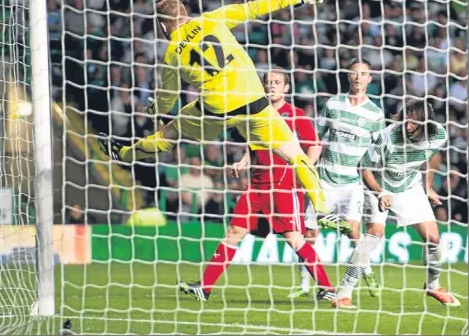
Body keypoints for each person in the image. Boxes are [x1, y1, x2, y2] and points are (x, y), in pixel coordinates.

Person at [99, 0, 330, 217]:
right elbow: (255, 8)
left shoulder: (171, 53)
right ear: (185, 14)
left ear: (162, 26)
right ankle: (321, 207)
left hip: (217, 110)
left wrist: (154, 109)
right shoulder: (213, 19)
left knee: (169, 133)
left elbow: (168, 99)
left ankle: (125, 154)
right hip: (254, 101)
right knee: (296, 155)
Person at [178, 67, 335, 301]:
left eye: (277, 82)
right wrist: (243, 161)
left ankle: (328, 288)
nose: (271, 85)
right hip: (256, 186)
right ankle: (205, 287)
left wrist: (303, 170)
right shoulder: (256, 114)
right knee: (233, 232)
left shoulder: (296, 115)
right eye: (268, 82)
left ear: (286, 88)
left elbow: (315, 146)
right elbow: (255, 146)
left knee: (294, 239)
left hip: (283, 186)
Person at [333, 99, 460, 308]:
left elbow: (433, 157)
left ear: (425, 123)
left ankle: (433, 285)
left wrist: (427, 187)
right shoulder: (388, 136)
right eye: (405, 121)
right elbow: (364, 168)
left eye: (413, 123)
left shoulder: (438, 134)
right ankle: (344, 292)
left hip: (409, 186)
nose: (407, 126)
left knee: (434, 239)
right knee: (374, 234)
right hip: (379, 185)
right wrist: (380, 193)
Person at [289, 59, 385, 300]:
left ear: (370, 79)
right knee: (310, 235)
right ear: (348, 76)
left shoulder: (375, 114)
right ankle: (304, 285)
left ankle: (367, 270)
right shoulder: (332, 104)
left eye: (364, 74)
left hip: (351, 184)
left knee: (353, 232)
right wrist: (307, 171)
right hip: (324, 180)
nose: (359, 78)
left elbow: (377, 151)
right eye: (355, 73)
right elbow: (316, 140)